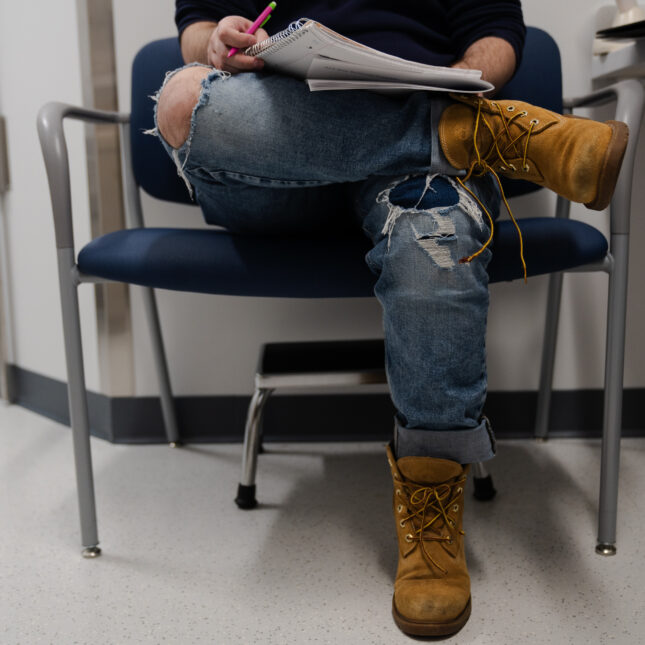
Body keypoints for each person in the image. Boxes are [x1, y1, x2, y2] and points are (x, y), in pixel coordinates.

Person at [152, 1, 628, 637]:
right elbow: (199, 32)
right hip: (274, 157)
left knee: (431, 238)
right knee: (185, 98)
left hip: (410, 172)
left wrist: (457, 76)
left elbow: (497, 33)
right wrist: (217, 43)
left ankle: (432, 513)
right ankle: (467, 131)